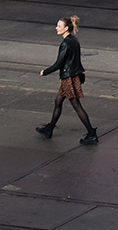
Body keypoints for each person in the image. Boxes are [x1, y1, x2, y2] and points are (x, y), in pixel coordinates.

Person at [36, 15, 97, 145]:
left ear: (66, 28)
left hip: (69, 78)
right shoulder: (74, 40)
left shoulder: (65, 44)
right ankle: (49, 128)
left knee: (77, 106)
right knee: (58, 102)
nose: (56, 28)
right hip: (71, 76)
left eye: (59, 26)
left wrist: (45, 72)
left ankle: (92, 134)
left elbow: (59, 63)